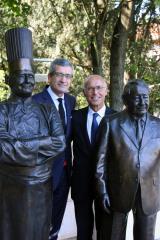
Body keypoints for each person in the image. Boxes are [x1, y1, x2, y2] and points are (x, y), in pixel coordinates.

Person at [0, 27, 65, 240]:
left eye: (30, 76)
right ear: (9, 79)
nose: (27, 81)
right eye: (21, 76)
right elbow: (2, 149)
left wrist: (18, 146)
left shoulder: (47, 109)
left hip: (42, 189)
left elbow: (60, 143)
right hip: (10, 191)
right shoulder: (2, 110)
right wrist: (42, 144)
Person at [95, 79, 160, 240]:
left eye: (145, 97)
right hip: (117, 191)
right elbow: (100, 162)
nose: (142, 102)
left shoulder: (158, 125)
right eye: (137, 97)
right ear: (125, 100)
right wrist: (102, 191)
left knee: (146, 236)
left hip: (149, 193)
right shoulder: (111, 123)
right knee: (113, 235)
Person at [32, 58, 76, 240]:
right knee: (39, 222)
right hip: (43, 175)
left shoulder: (71, 101)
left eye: (68, 76)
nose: (64, 80)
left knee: (56, 221)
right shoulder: (34, 102)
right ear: (49, 77)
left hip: (65, 173)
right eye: (59, 75)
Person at [71, 75, 115, 240]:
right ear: (84, 92)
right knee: (83, 230)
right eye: (90, 88)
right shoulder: (75, 117)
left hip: (107, 185)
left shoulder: (116, 118)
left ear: (106, 91)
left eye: (99, 88)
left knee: (105, 230)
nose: (95, 92)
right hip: (81, 183)